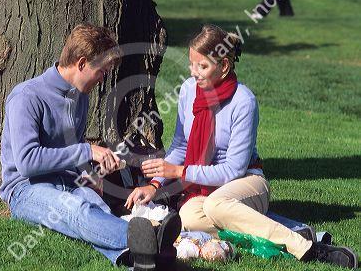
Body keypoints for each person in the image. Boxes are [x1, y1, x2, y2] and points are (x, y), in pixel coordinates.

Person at [125, 25, 358, 269]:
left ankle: (307, 248)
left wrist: (180, 172)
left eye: (202, 66)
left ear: (224, 66)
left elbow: (233, 170)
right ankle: (286, 231)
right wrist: (154, 185)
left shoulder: (244, 101)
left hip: (246, 180)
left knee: (216, 206)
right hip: (206, 187)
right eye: (191, 64)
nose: (194, 73)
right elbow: (180, 146)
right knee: (189, 217)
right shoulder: (187, 91)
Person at [0, 23, 181, 270]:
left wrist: (86, 174)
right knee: (77, 210)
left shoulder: (80, 98)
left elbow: (66, 153)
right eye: (102, 71)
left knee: (98, 213)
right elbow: (27, 163)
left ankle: (139, 261)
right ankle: (153, 242)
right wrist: (86, 150)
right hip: (24, 189)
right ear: (82, 63)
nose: (103, 78)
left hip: (69, 182)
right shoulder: (27, 97)